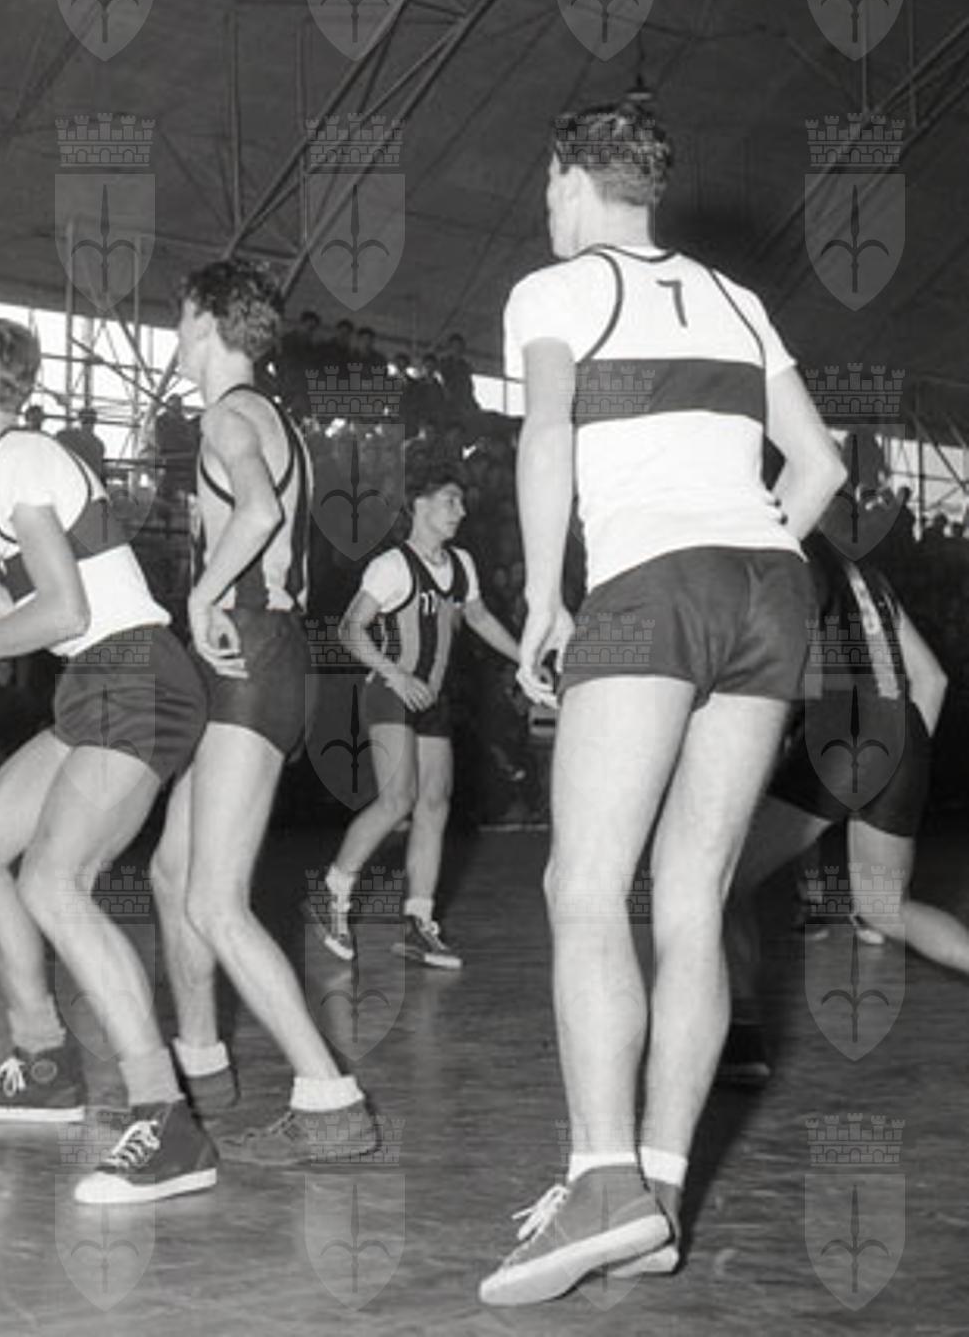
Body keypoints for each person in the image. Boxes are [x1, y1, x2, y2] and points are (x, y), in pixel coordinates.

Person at [478, 99, 843, 1307]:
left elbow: (544, 433)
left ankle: (600, 1181)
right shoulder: (737, 299)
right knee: (691, 895)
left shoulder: (555, 287)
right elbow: (821, 464)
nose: (546, 207)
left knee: (583, 888)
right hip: (771, 584)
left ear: (571, 179)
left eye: (549, 188)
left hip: (652, 584)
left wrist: (543, 594)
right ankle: (659, 1199)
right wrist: (748, 541)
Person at [0, 318, 212, 1205]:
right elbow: (55, 607)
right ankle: (43, 1063)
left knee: (53, 884)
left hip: (132, 678)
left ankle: (166, 1117)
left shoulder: (18, 461)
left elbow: (64, 613)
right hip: (100, 679)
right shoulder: (22, 463)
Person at [149, 260, 379, 1164]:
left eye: (180, 317)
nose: (175, 335)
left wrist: (201, 594)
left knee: (214, 900)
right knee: (172, 873)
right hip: (258, 656)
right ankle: (202, 1068)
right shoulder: (273, 415)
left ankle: (330, 1099)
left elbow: (253, 515)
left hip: (250, 653)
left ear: (205, 320)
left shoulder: (228, 414)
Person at [719, 530, 969, 1084]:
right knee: (886, 910)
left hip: (844, 729)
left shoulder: (787, 559)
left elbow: (777, 676)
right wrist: (895, 757)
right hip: (901, 728)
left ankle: (742, 1040)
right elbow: (933, 680)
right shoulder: (870, 579)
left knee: (724, 880)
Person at [313, 456, 521, 972]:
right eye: (451, 500)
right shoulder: (391, 566)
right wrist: (396, 674)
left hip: (432, 698)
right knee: (397, 800)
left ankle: (418, 922)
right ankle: (333, 893)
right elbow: (349, 629)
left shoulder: (462, 564)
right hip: (390, 691)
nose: (461, 511)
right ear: (420, 506)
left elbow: (478, 617)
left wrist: (526, 657)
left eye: (462, 502)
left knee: (434, 803)